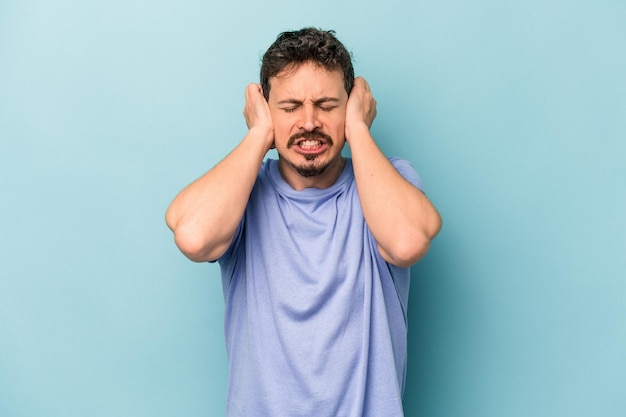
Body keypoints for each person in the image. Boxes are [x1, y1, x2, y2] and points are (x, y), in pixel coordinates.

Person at [166, 27, 442, 417]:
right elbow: (194, 237)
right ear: (264, 108)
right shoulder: (242, 191)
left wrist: (359, 130)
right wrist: (259, 134)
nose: (309, 122)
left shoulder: (390, 180)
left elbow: (407, 241)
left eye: (328, 105)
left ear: (351, 106)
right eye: (290, 106)